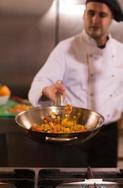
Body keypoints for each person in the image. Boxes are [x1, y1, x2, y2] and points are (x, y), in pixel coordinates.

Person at [28, 0, 123, 167]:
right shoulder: (65, 48)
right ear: (83, 14)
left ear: (111, 18)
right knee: (70, 185)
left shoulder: (120, 52)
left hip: (108, 134)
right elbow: (40, 82)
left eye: (102, 15)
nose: (94, 20)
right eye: (91, 13)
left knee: (102, 185)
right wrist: (47, 90)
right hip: (73, 133)